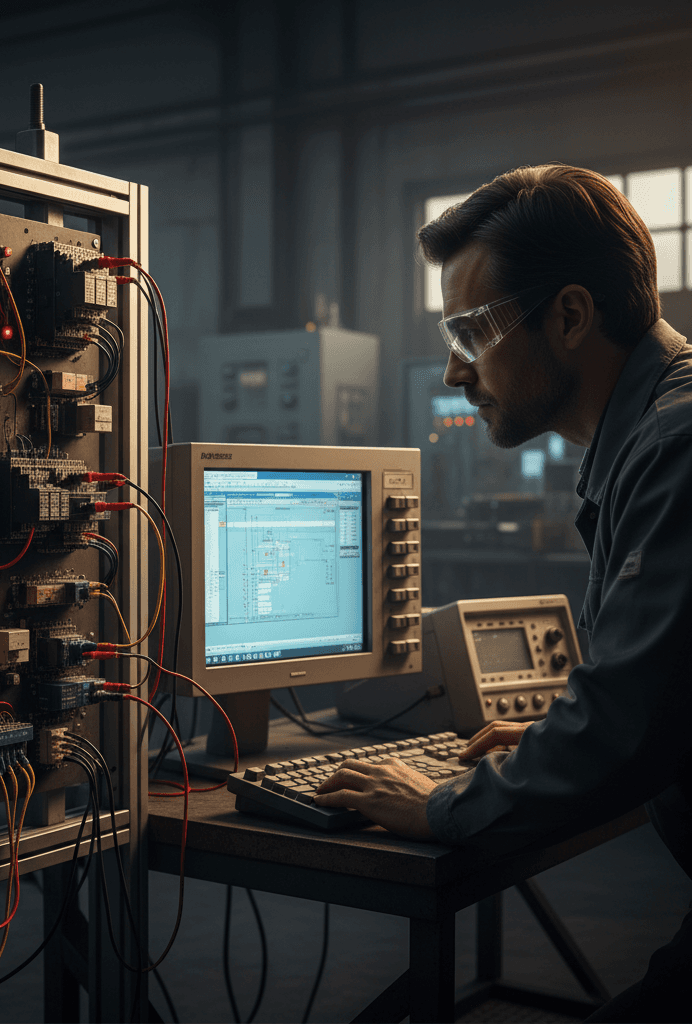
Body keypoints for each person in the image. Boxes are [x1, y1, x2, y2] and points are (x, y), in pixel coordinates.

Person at [312, 164, 692, 1021]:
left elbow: (626, 730)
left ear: (570, 316)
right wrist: (559, 741)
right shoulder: (654, 432)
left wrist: (444, 805)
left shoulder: (677, 446)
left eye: (473, 331)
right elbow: (659, 701)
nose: (454, 371)